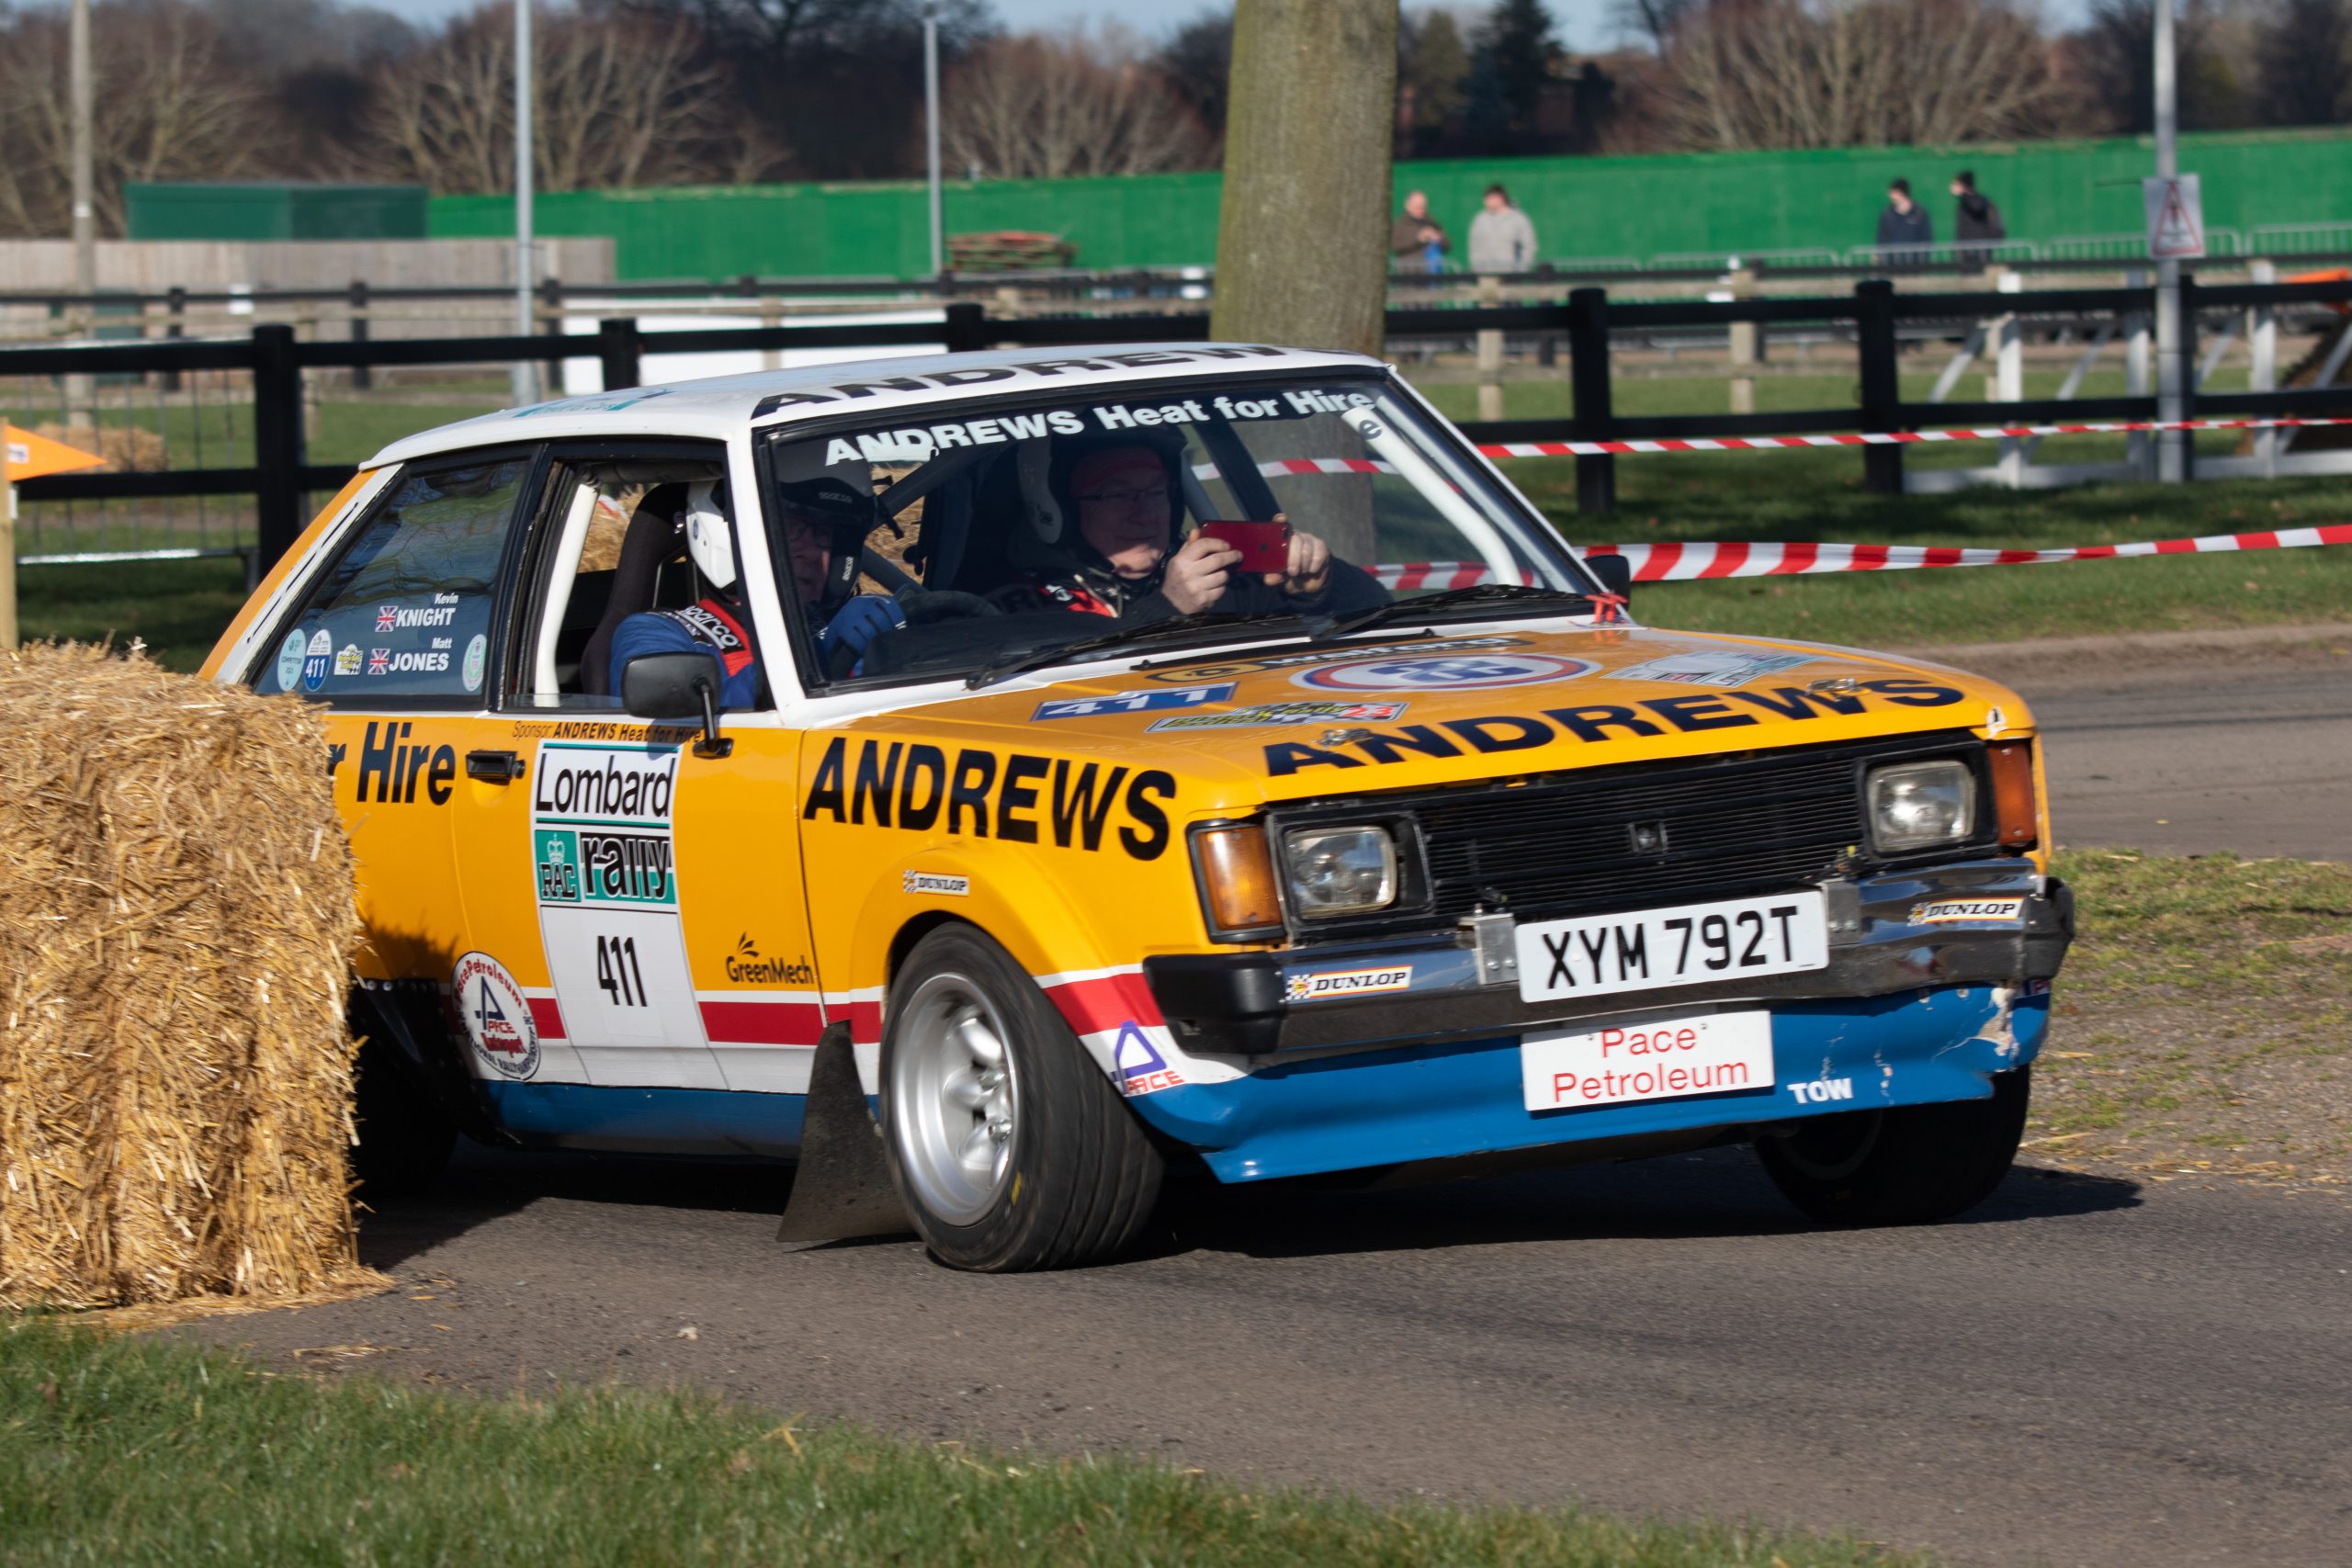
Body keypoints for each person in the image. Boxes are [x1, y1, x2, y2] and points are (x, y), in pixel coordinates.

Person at [989, 440, 1385, 624]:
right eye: (1117, 495)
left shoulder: (1221, 574)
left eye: (1156, 492)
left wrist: (1321, 584)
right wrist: (1168, 607)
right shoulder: (1017, 604)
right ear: (1059, 511)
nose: (1144, 512)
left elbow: (1379, 611)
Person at [607, 477, 905, 703]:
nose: (812, 552)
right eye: (791, 531)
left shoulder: (852, 623)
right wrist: (817, 657)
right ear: (727, 536)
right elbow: (687, 717)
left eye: (824, 534)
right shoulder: (654, 632)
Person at [1466, 183, 1538, 275]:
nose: (1485, 202)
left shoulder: (1519, 219)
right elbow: (1474, 246)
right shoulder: (1480, 219)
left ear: (1500, 198)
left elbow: (1529, 246)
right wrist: (1476, 267)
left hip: (1510, 276)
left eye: (1489, 198)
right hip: (1484, 275)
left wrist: (1521, 270)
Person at [1390, 190, 1449, 275]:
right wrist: (1418, 239)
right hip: (1409, 274)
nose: (1421, 210)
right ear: (1408, 205)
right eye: (1417, 206)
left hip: (1431, 274)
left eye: (1423, 207)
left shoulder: (1431, 222)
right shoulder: (1400, 224)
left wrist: (1438, 238)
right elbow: (1394, 245)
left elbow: (1447, 244)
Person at [1952, 170, 2005, 262]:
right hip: (1965, 251)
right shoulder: (1963, 204)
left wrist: (1963, 194)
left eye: (1956, 184)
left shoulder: (1978, 201)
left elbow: (1976, 208)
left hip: (1979, 250)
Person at [1874, 178, 1932, 257]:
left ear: (1901, 192)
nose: (1890, 195)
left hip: (1915, 263)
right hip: (1892, 264)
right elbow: (1882, 239)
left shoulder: (1919, 213)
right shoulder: (1887, 215)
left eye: (1893, 192)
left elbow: (1926, 238)